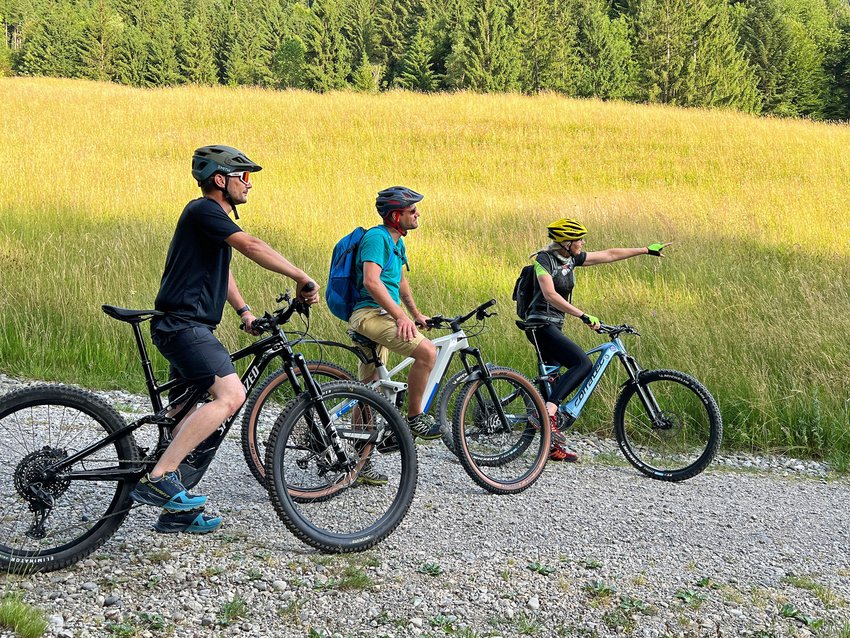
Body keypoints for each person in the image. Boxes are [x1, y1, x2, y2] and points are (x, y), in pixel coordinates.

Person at [130, 145, 319, 533]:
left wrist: (244, 312)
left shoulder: (211, 221)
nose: (249, 184)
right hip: (186, 328)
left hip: (187, 327)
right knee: (231, 397)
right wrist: (300, 276)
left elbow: (222, 271)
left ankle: (176, 513)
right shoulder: (205, 210)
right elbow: (251, 246)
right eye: (243, 177)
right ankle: (158, 476)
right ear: (220, 180)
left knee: (184, 416)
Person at [522, 217, 670, 462]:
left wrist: (645, 250)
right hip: (540, 325)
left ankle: (550, 444)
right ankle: (546, 413)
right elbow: (549, 294)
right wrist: (582, 315)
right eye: (578, 239)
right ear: (565, 242)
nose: (582, 242)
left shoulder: (571, 259)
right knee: (582, 364)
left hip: (554, 325)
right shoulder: (543, 261)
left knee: (553, 379)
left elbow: (609, 254)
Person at [347, 186, 441, 485]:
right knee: (427, 353)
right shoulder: (377, 238)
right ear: (395, 215)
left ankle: (359, 463)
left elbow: (400, 284)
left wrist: (415, 314)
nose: (418, 215)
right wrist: (400, 317)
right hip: (369, 316)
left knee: (369, 390)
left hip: (384, 315)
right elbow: (372, 282)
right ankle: (414, 418)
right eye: (413, 211)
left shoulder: (397, 242)